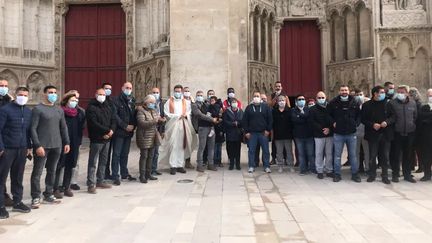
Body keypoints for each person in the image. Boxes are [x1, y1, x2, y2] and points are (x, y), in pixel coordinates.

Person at [30, 85, 70, 209]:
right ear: (44, 94)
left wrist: (66, 142)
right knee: (38, 172)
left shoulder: (59, 110)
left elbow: (63, 127)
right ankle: (36, 196)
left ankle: (48, 193)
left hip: (56, 145)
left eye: (54, 92)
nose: (53, 94)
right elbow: (33, 128)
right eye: (50, 92)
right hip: (42, 146)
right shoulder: (37, 109)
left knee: (52, 171)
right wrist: (37, 145)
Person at [0, 87, 32, 219]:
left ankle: (17, 201)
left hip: (22, 148)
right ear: (15, 95)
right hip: (7, 149)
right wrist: (1, 147)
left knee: (18, 177)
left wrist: (29, 147)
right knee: (1, 178)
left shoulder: (29, 111)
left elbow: (28, 131)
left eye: (25, 95)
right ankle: (1, 206)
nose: (22, 97)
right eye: (20, 95)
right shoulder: (5, 110)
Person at [158, 85, 196, 175]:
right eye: (176, 91)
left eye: (179, 91)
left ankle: (180, 165)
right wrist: (178, 116)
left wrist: (185, 115)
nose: (177, 93)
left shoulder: (185, 102)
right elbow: (167, 113)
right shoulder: (169, 102)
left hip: (183, 125)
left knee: (181, 145)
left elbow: (189, 111)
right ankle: (173, 166)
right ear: (173, 91)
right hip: (173, 126)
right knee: (173, 145)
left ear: (182, 92)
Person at [53, 93, 86, 198]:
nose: (74, 102)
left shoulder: (78, 113)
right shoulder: (60, 112)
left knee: (70, 164)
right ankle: (55, 188)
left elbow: (81, 127)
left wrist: (79, 141)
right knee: (59, 165)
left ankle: (67, 187)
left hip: (75, 142)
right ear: (66, 101)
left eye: (76, 100)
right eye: (72, 100)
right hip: (62, 142)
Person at [328, 85, 361, 183]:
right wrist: (332, 122)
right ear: (339, 91)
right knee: (337, 155)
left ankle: (355, 174)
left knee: (353, 155)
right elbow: (328, 115)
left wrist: (356, 123)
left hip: (351, 133)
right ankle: (337, 174)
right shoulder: (333, 102)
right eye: (342, 90)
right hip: (338, 133)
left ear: (349, 91)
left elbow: (359, 115)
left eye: (346, 90)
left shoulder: (354, 101)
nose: (344, 92)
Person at [361, 86, 394, 184]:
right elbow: (363, 119)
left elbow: (393, 116)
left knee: (385, 156)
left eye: (384, 92)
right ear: (375, 93)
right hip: (372, 134)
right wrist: (372, 124)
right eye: (381, 92)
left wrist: (387, 122)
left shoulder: (388, 103)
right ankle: (372, 175)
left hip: (385, 133)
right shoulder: (367, 105)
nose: (383, 94)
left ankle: (385, 175)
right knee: (372, 156)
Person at [86, 88, 117, 194]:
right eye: (100, 94)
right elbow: (93, 123)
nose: (102, 96)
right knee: (93, 162)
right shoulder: (91, 107)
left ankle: (100, 180)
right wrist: (107, 131)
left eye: (103, 94)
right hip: (96, 139)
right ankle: (91, 184)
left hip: (107, 139)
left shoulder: (108, 105)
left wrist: (111, 131)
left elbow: (113, 119)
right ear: (95, 95)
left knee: (103, 161)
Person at [389, 85, 417, 183]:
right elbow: (390, 117)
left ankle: (407, 174)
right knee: (396, 155)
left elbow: (415, 117)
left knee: (408, 155)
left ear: (407, 93)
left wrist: (412, 126)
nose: (400, 94)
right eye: (399, 92)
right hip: (397, 133)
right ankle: (395, 174)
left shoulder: (413, 103)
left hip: (409, 133)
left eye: (402, 92)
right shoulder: (392, 103)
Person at [111, 82, 137, 185]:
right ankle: (115, 175)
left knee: (125, 154)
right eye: (127, 87)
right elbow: (115, 116)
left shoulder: (132, 100)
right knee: (116, 154)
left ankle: (124, 173)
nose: (128, 89)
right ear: (122, 88)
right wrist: (125, 126)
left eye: (130, 88)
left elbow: (133, 115)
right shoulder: (116, 100)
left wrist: (133, 126)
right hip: (119, 131)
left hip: (129, 132)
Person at [242, 91, 273, 173]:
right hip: (252, 134)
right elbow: (245, 121)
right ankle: (251, 166)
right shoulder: (249, 107)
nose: (256, 97)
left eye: (257, 96)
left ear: (260, 98)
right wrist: (246, 132)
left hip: (263, 133)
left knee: (266, 150)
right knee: (251, 150)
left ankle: (266, 166)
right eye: (255, 96)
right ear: (253, 97)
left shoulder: (266, 107)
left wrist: (268, 130)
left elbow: (270, 119)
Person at [136, 95, 161, 183]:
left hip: (153, 136)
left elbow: (157, 120)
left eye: (154, 103)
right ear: (146, 102)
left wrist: (161, 120)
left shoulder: (153, 111)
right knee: (144, 156)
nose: (153, 104)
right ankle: (142, 175)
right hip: (144, 136)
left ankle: (148, 173)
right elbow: (142, 123)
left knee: (151, 156)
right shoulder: (141, 111)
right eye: (151, 102)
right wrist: (155, 121)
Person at [192, 91, 219, 172]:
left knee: (211, 147)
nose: (200, 96)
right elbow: (199, 115)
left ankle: (210, 164)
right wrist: (212, 119)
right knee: (202, 147)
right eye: (198, 95)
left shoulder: (206, 104)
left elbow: (212, 112)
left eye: (201, 95)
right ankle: (199, 165)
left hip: (211, 127)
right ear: (196, 96)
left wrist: (217, 117)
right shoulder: (194, 105)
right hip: (202, 128)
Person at [309, 91, 334, 179]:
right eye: (319, 98)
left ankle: (329, 170)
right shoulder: (312, 109)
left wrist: (329, 129)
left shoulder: (330, 107)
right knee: (319, 153)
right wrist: (322, 129)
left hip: (329, 134)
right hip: (318, 134)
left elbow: (333, 119)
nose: (321, 99)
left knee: (329, 153)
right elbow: (312, 122)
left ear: (326, 97)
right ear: (316, 99)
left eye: (322, 97)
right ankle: (319, 170)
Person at [66, 90, 85, 191]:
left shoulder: (81, 111)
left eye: (77, 98)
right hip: (65, 141)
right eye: (73, 98)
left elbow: (83, 125)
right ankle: (62, 183)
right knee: (63, 162)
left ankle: (73, 181)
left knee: (75, 161)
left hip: (76, 139)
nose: (75, 100)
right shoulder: (62, 110)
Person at [291, 95, 315, 175]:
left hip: (309, 135)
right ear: (296, 101)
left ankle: (312, 168)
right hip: (298, 136)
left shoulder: (309, 109)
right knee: (301, 154)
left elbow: (310, 120)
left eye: (303, 99)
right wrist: (304, 117)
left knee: (311, 153)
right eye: (299, 99)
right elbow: (294, 120)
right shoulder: (293, 110)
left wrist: (300, 116)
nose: (301, 100)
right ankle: (303, 170)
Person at [0, 79, 14, 207]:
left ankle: (4, 195)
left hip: (6, 139)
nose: (3, 88)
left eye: (5, 86)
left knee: (3, 170)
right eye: (1, 86)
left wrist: (12, 99)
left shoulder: (8, 101)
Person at [272, 95, 294, 173]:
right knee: (279, 152)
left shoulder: (290, 111)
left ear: (286, 101)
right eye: (280, 100)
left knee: (289, 152)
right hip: (278, 136)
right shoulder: (274, 111)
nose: (281, 102)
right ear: (277, 102)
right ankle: (280, 166)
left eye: (283, 100)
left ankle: (291, 165)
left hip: (288, 135)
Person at [223, 98, 244, 170]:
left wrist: (238, 123)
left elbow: (243, 121)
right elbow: (225, 121)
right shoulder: (226, 111)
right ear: (231, 104)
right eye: (233, 102)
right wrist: (232, 124)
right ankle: (231, 164)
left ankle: (238, 164)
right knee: (230, 149)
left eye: (235, 102)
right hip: (230, 133)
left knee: (238, 149)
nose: (234, 103)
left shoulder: (240, 111)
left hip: (238, 133)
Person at [150, 87, 165, 176]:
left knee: (156, 152)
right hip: (150, 130)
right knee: (150, 152)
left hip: (159, 129)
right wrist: (157, 118)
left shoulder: (161, 104)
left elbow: (163, 116)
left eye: (157, 92)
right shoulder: (148, 104)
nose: (156, 94)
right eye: (154, 92)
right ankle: (148, 169)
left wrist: (163, 130)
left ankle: (154, 169)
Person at [354, 89, 370, 174]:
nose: (359, 96)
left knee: (367, 151)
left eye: (360, 94)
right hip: (355, 132)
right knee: (356, 152)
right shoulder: (353, 104)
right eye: (357, 95)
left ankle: (367, 168)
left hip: (365, 131)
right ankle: (356, 168)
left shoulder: (368, 104)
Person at [102, 82, 115, 180]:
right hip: (101, 133)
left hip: (111, 132)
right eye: (106, 88)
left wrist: (112, 130)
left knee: (108, 154)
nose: (108, 90)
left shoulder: (112, 101)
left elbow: (114, 117)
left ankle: (107, 173)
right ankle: (100, 175)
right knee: (100, 156)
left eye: (110, 89)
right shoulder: (98, 102)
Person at [418, 89, 432, 181]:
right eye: (429, 95)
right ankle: (427, 174)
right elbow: (421, 117)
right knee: (426, 156)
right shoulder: (424, 106)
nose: (430, 97)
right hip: (426, 137)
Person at [408, 87, 422, 173]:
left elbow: (417, 117)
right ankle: (412, 165)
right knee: (412, 148)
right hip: (412, 129)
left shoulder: (418, 104)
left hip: (417, 129)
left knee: (418, 149)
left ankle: (421, 166)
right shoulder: (411, 103)